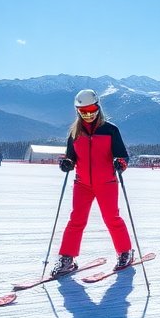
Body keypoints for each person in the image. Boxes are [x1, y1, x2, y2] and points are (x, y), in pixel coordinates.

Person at [52, 89, 133, 277]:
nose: (88, 115)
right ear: (77, 111)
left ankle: (124, 252)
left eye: (92, 111)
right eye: (83, 112)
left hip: (106, 182)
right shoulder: (74, 133)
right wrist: (67, 163)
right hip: (83, 184)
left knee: (111, 218)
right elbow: (71, 157)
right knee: (76, 220)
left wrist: (121, 163)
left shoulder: (111, 130)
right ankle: (67, 258)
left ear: (98, 108)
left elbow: (122, 155)